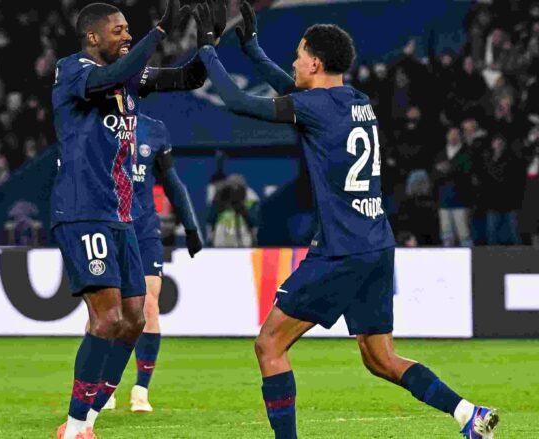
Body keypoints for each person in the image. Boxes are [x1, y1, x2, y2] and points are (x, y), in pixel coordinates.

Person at [189, 6, 499, 438]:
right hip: (375, 244)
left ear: (315, 63)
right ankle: (468, 413)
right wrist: (252, 46)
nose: (294, 63)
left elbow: (238, 101)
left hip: (341, 249)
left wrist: (206, 50)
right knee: (380, 359)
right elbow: (291, 90)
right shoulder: (357, 101)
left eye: (298, 55)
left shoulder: (315, 107)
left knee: (270, 345)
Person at [50, 2, 202, 437]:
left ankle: (85, 421)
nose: (126, 37)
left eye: (129, 31)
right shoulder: (73, 69)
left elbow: (187, 78)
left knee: (135, 319)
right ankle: (78, 426)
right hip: (81, 210)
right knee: (107, 320)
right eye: (118, 31)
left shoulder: (127, 77)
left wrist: (208, 46)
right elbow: (106, 80)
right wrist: (158, 34)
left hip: (121, 216)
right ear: (93, 37)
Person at [94, 114, 203, 413]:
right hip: (107, 226)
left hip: (144, 232)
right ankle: (102, 383)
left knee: (149, 305)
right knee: (107, 310)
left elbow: (171, 181)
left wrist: (191, 226)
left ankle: (141, 390)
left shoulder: (154, 129)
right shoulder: (98, 122)